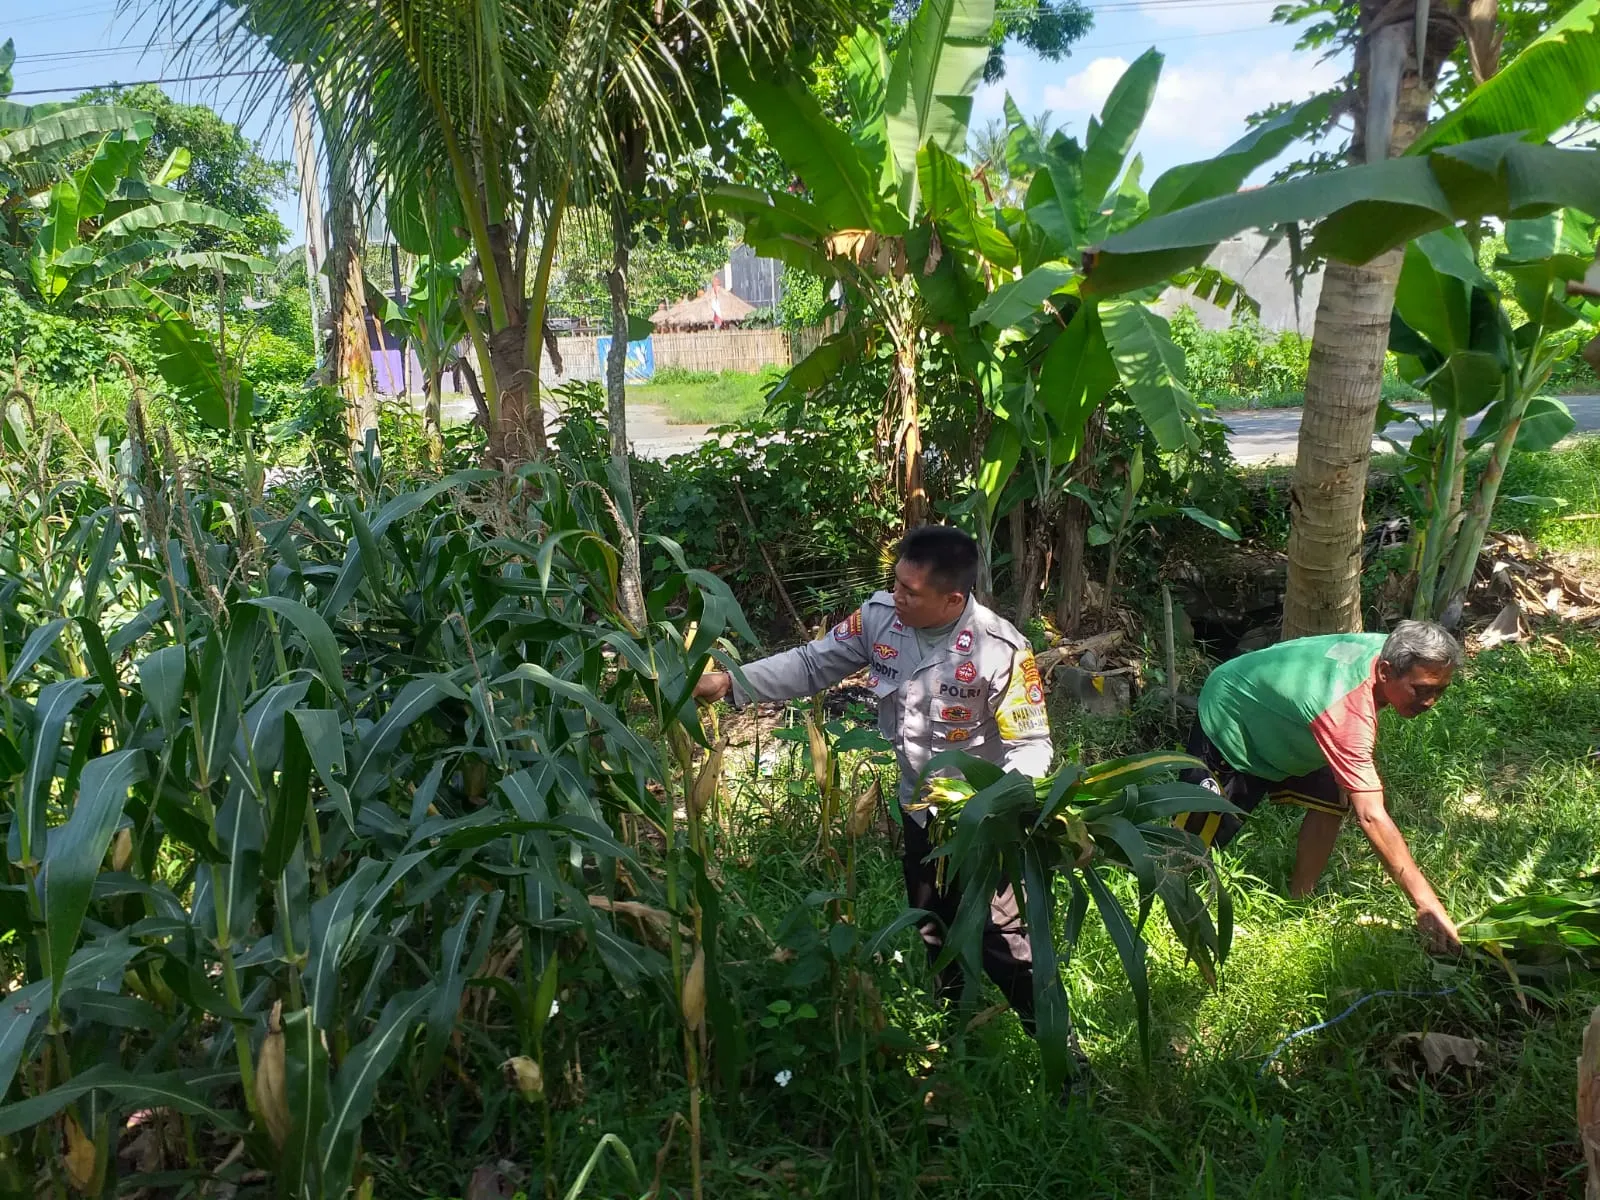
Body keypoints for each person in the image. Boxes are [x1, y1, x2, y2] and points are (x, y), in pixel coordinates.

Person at [692, 526, 1053, 1027]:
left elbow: (1031, 746)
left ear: (952, 599)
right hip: (918, 809)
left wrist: (1001, 806)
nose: (896, 595)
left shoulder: (1000, 651)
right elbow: (811, 664)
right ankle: (957, 1025)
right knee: (932, 922)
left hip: (981, 823)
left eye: (910, 591)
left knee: (1004, 938)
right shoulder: (880, 619)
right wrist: (732, 682)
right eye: (896, 582)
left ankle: (1061, 1051)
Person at [1174, 620, 1465, 953]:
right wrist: (1427, 903)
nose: (1431, 702)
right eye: (1422, 689)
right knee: (1195, 834)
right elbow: (1371, 816)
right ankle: (1168, 897)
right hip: (1234, 712)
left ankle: (1299, 902)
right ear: (1385, 671)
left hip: (1299, 717)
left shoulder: (1396, 649)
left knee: (1333, 796)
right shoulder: (1345, 715)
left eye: (1439, 690)